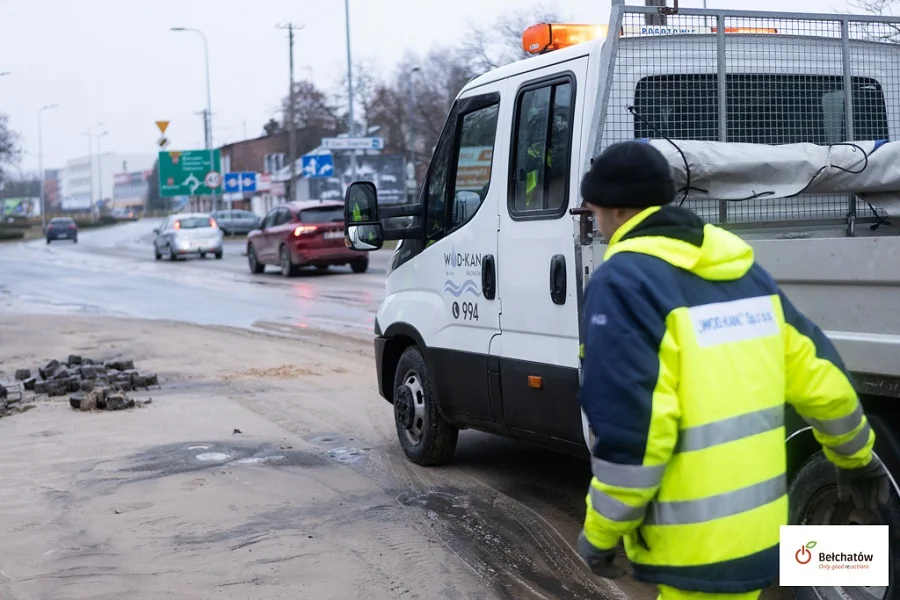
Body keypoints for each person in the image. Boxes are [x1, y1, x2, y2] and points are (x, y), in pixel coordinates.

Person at [574, 140, 891, 598]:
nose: (595, 220)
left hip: (694, 544)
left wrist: (603, 531)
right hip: (758, 534)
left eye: (594, 209)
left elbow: (634, 429)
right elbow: (819, 378)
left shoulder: (624, 281)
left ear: (617, 210)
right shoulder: (742, 271)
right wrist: (856, 458)